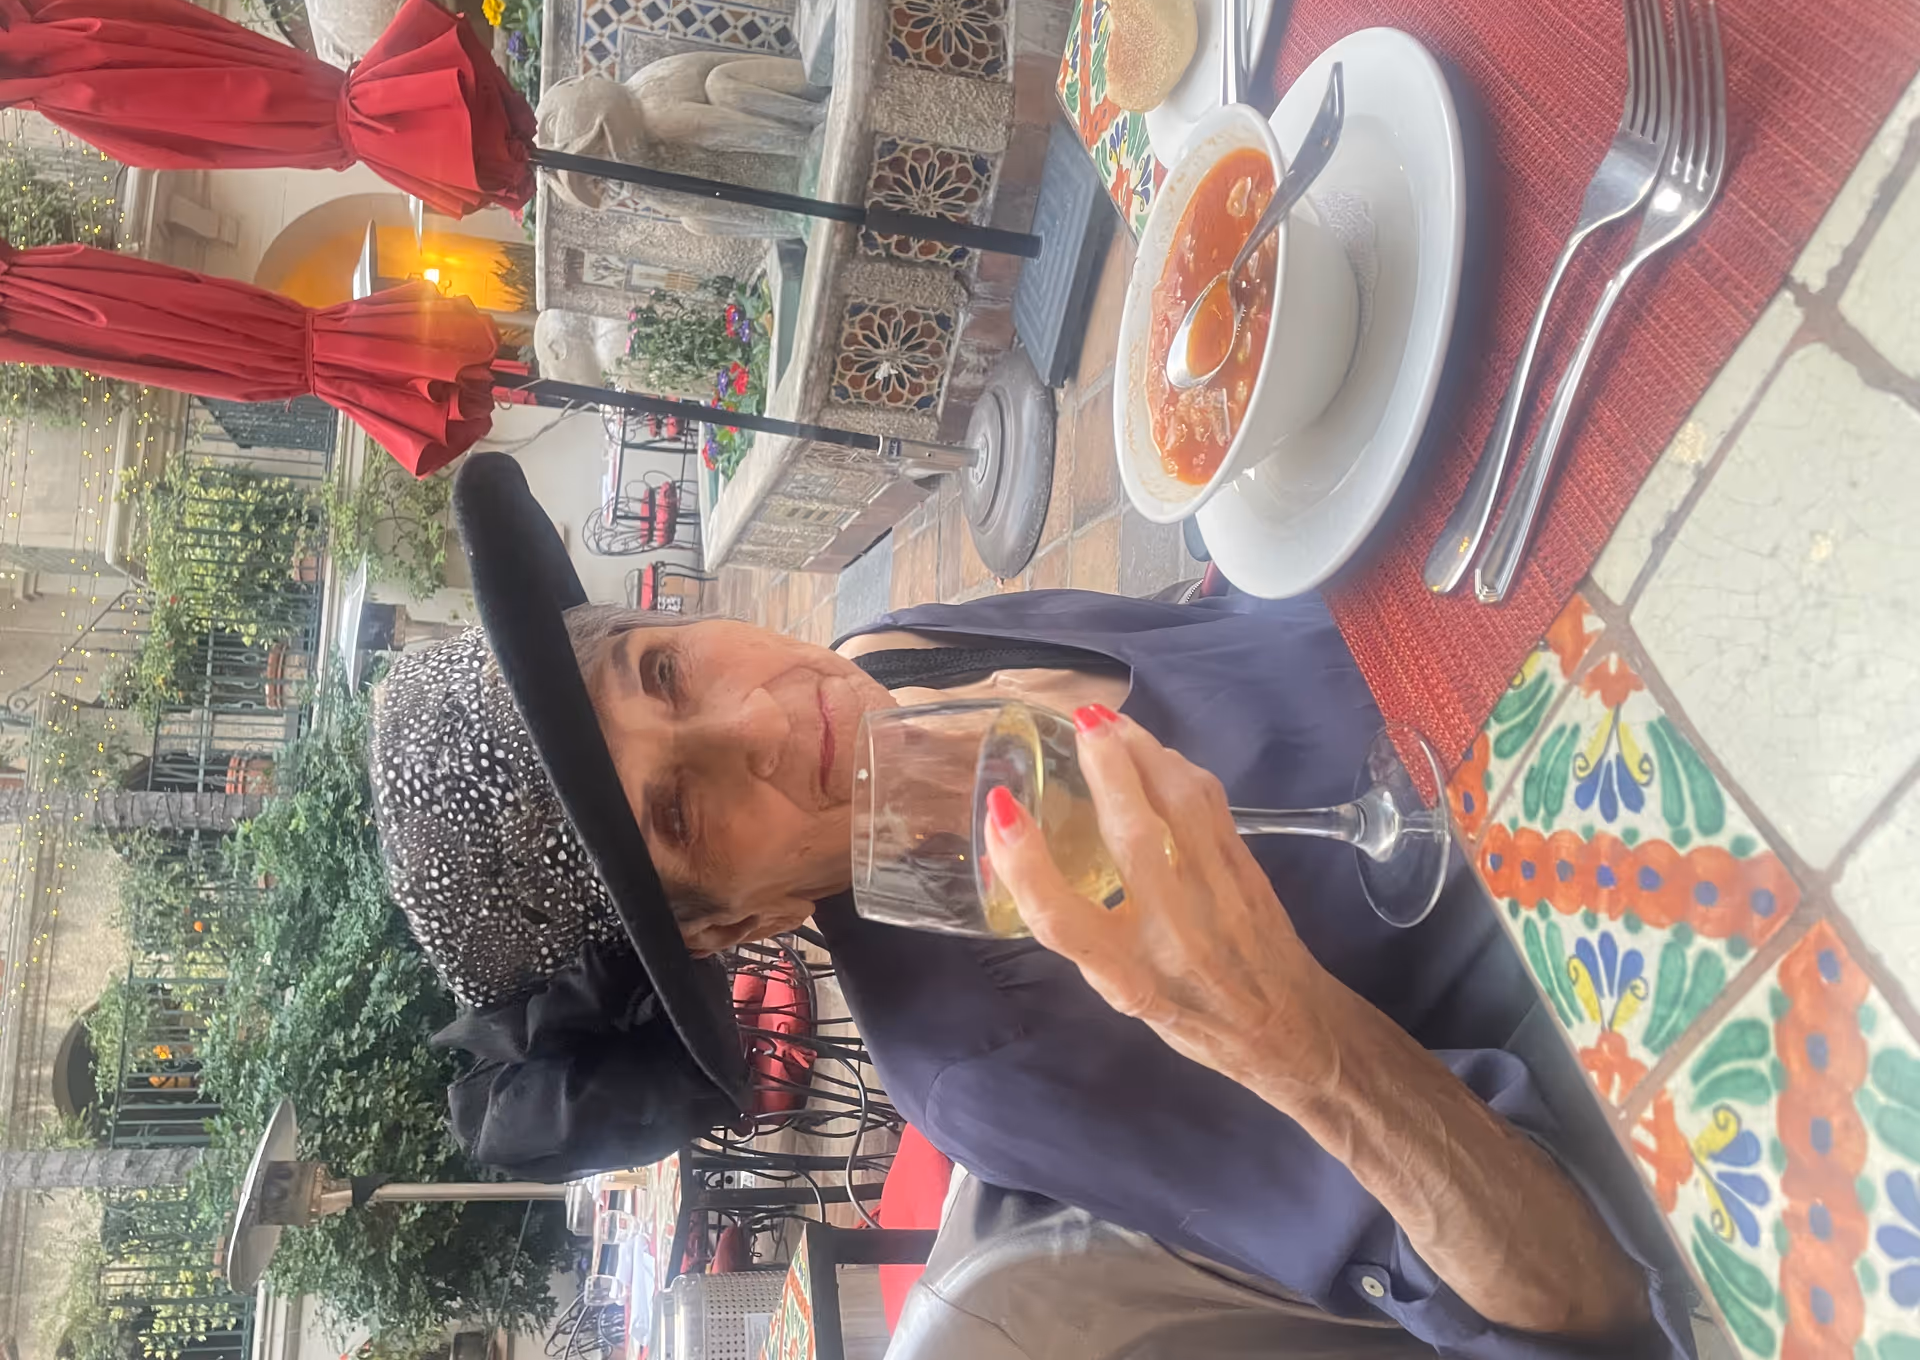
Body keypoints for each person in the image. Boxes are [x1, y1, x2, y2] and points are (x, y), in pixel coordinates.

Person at [370, 455, 1692, 1359]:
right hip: (1663, 934)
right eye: (685, 810)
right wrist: (1286, 1034)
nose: (765, 715)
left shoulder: (893, 655)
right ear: (723, 929)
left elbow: (1249, 635)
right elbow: (1573, 1301)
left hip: (1580, 619)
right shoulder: (989, 1058)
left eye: (667, 672)